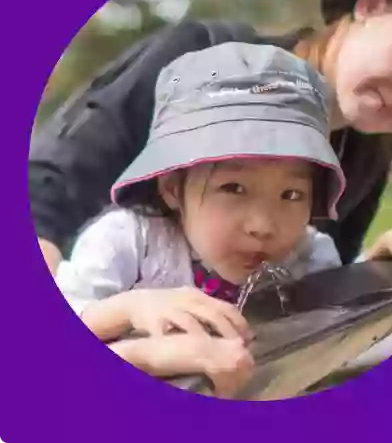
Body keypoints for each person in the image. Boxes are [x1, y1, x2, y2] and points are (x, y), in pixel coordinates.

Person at [30, 0, 392, 276]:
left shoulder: (366, 156)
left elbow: (301, 296)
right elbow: (43, 200)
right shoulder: (200, 63)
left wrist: (374, 266)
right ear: (371, 4)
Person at [55, 42, 347, 397]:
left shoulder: (308, 253)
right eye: (233, 187)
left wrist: (382, 260)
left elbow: (346, 324)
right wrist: (129, 312)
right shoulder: (127, 243)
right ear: (173, 188)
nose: (263, 225)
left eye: (291, 195)